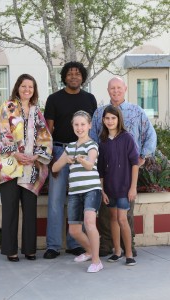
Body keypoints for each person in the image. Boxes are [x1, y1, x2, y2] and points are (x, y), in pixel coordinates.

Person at [0, 74, 52, 262]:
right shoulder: (8, 107)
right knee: (10, 208)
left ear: (34, 90)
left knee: (30, 208)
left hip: (30, 166)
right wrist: (15, 153)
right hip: (9, 166)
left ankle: (30, 249)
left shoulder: (36, 111)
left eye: (30, 87)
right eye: (24, 86)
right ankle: (10, 250)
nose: (27, 90)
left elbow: (44, 136)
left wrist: (36, 155)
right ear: (18, 87)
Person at [90, 76, 157, 257]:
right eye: (112, 88)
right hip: (107, 170)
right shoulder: (99, 113)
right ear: (108, 90)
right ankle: (106, 244)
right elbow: (92, 139)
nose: (116, 91)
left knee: (126, 211)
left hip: (129, 171)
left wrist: (142, 155)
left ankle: (129, 245)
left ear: (125, 88)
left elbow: (151, 135)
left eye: (119, 88)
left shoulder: (137, 112)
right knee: (106, 212)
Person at [43, 61, 97, 259]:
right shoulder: (54, 99)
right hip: (60, 151)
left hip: (83, 153)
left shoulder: (90, 99)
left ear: (82, 77)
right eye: (70, 74)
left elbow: (93, 128)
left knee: (78, 198)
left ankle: (75, 243)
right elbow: (48, 131)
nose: (74, 77)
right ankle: (53, 246)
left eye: (77, 74)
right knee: (56, 200)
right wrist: (49, 157)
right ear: (64, 77)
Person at [52, 110, 103, 272]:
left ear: (89, 126)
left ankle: (96, 261)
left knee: (89, 223)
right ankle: (89, 251)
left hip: (92, 190)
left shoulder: (92, 145)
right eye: (76, 124)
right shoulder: (70, 147)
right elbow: (54, 167)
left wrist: (82, 160)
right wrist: (65, 160)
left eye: (82, 124)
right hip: (75, 192)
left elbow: (90, 164)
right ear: (72, 126)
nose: (79, 128)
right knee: (74, 231)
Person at [98, 105, 139, 266]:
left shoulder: (127, 138)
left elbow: (135, 163)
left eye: (113, 118)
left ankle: (129, 254)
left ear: (118, 119)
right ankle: (117, 252)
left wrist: (133, 187)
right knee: (113, 219)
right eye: (107, 118)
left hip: (124, 187)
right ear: (103, 120)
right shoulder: (102, 142)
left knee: (122, 219)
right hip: (109, 188)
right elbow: (100, 170)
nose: (110, 121)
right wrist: (102, 191)